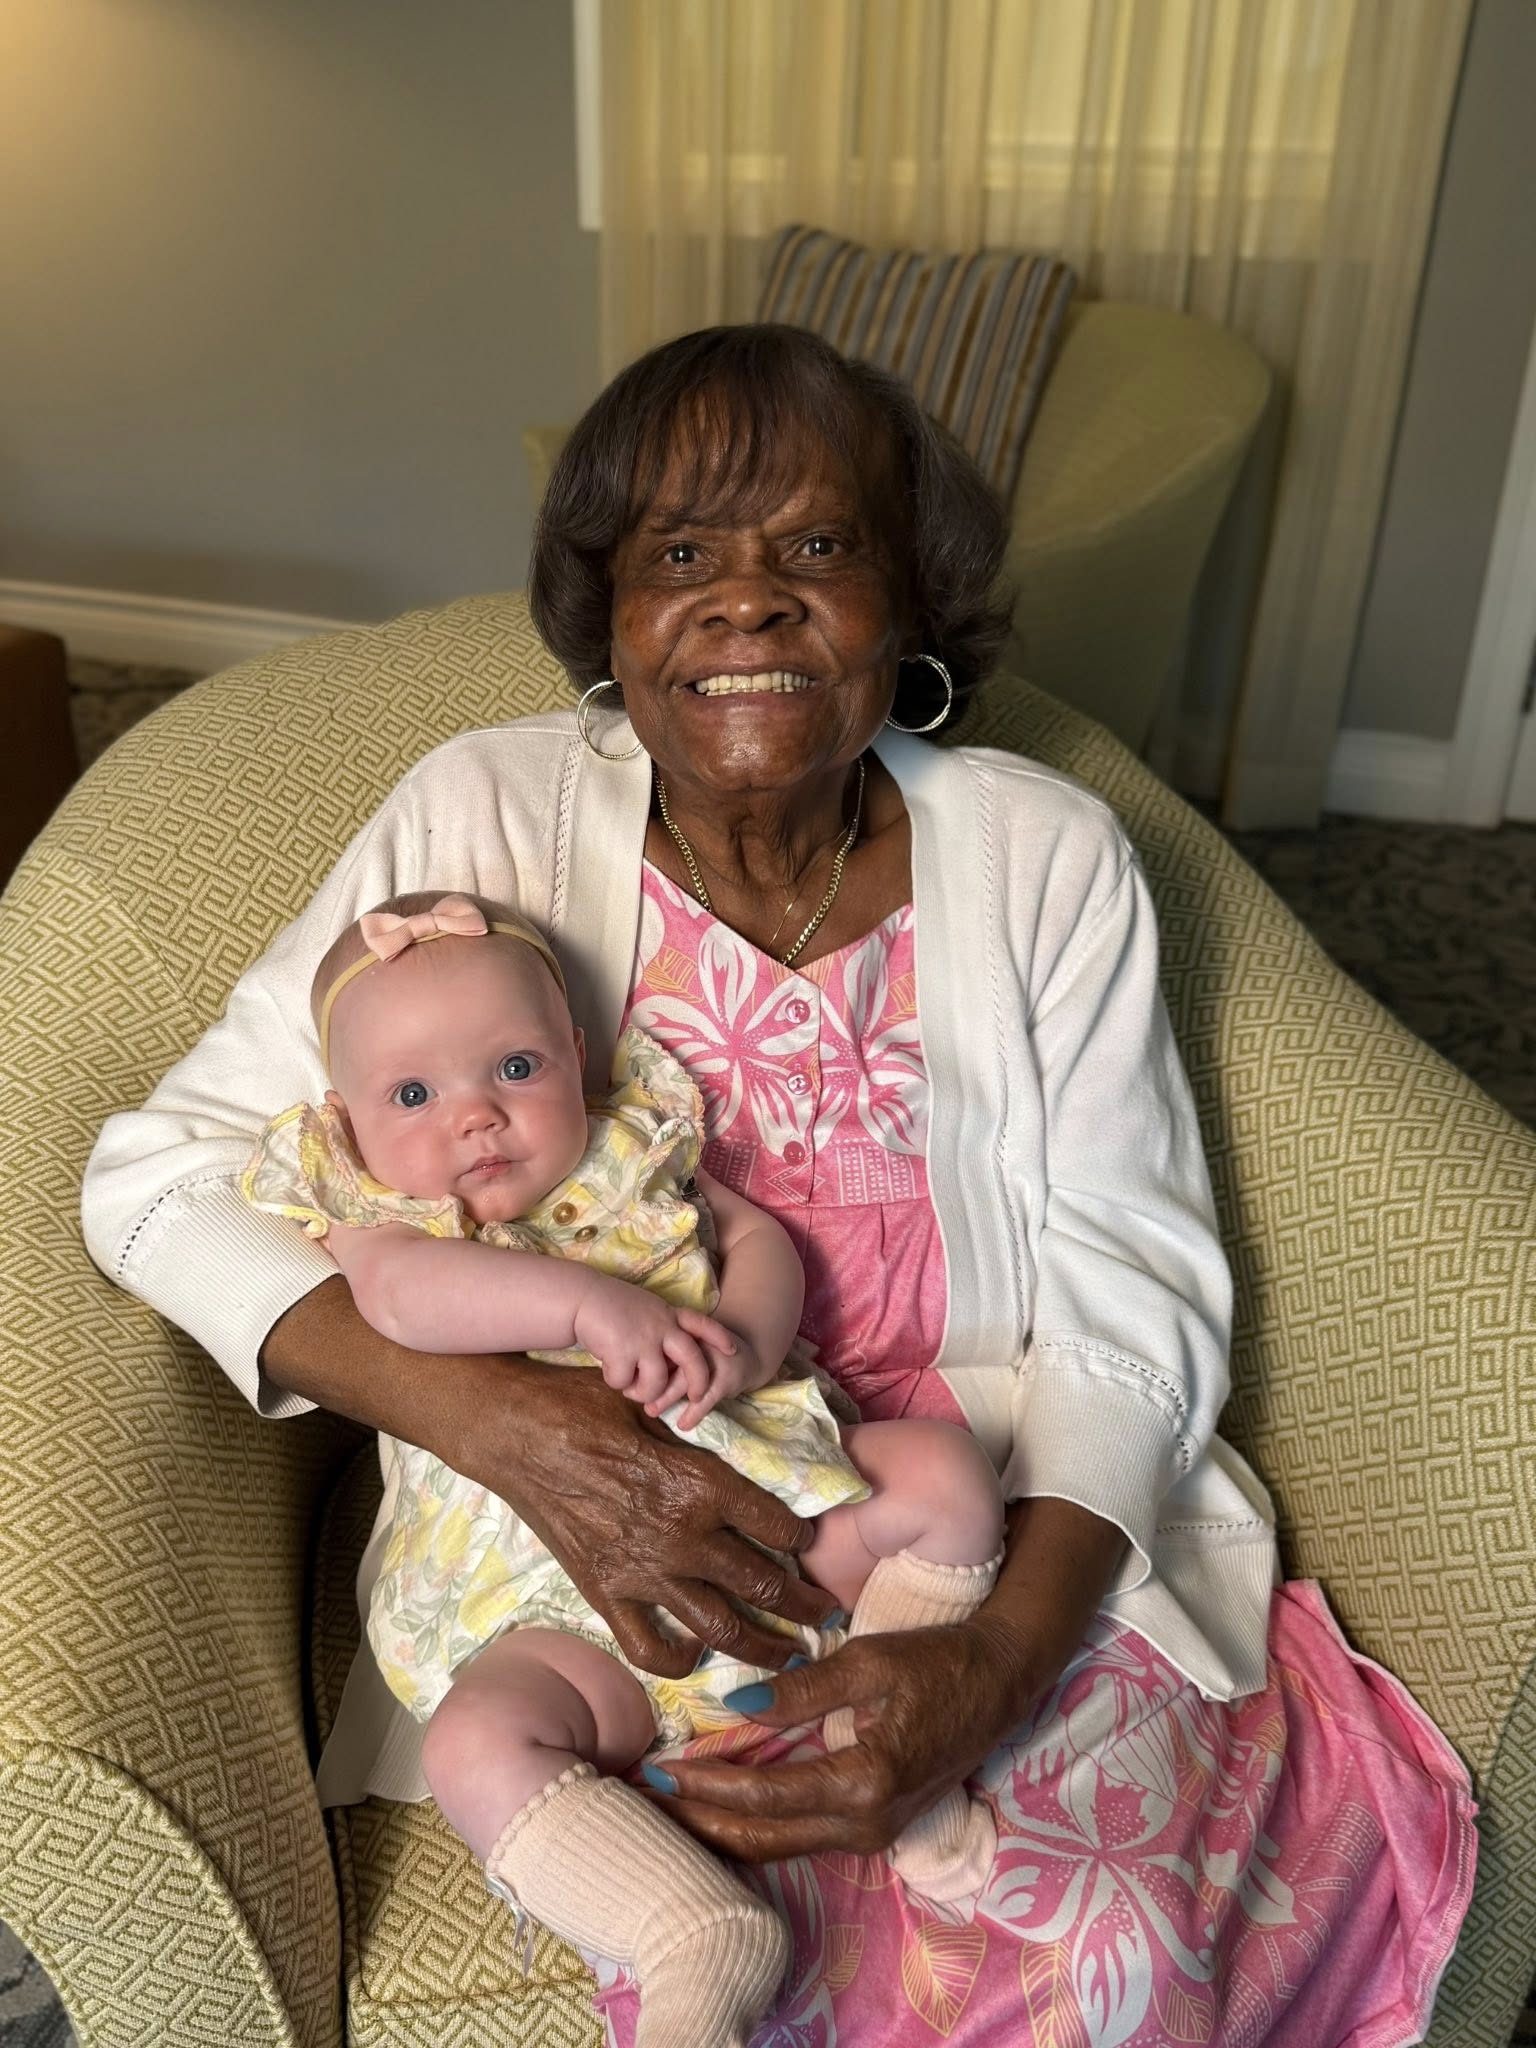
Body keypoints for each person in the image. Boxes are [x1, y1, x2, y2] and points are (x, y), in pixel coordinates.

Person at [82, 324, 1474, 2045]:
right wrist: (510, 1425)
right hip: (575, 1559)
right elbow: (152, 1183)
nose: (745, 600)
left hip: (960, 1517)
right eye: (680, 556)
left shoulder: (1043, 854)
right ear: (609, 617)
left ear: (911, 604)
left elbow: (1139, 1286)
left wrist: (992, 1662)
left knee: (1103, 1952)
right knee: (750, 1938)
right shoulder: (480, 819)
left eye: (818, 544)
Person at [240, 885, 1004, 2043]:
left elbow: (756, 1236)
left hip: (778, 1523)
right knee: (476, 1743)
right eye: (413, 1094)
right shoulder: (383, 1208)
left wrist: (746, 1335)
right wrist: (584, 1304)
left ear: (577, 1052)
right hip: (558, 1615)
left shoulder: (636, 1138)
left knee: (945, 1477)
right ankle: (691, 1929)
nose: (476, 1116)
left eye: (515, 1067)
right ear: (349, 1119)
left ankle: (882, 1730)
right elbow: (397, 1297)